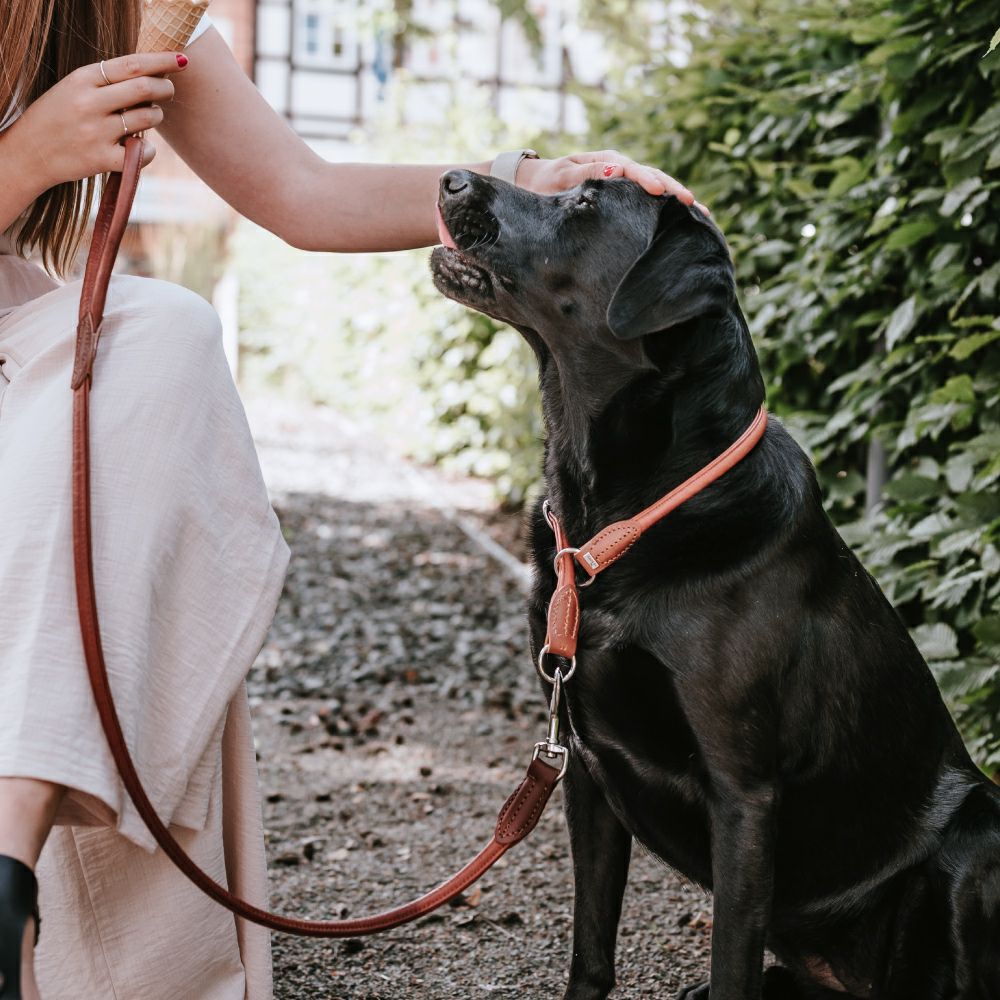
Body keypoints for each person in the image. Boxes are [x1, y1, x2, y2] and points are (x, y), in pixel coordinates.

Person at [0, 4, 701, 998]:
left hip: (22, 346)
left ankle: (8, 864)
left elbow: (304, 192)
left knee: (164, 334)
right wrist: (23, 161)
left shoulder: (132, 12)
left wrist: (525, 183)